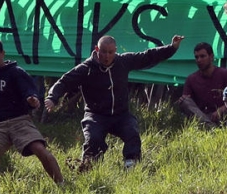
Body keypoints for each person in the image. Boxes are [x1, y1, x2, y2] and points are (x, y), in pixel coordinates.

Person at [45, 35, 184, 169]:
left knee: (132, 133)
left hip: (121, 114)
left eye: (110, 52)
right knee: (93, 140)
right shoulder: (86, 68)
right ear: (97, 49)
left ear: (115, 51)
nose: (106, 56)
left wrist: (172, 48)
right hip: (95, 115)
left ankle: (131, 164)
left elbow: (147, 56)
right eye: (103, 52)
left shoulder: (123, 61)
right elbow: (64, 81)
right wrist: (52, 98)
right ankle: (88, 165)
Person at [0, 38, 63, 194]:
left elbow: (31, 93)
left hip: (19, 120)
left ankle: (62, 184)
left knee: (39, 148)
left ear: (2, 53)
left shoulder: (15, 72)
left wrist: (32, 101)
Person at [178, 42, 227, 128]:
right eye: (196, 57)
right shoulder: (191, 79)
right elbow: (188, 104)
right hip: (203, 116)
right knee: (184, 101)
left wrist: (222, 109)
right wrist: (183, 99)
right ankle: (210, 127)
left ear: (211, 57)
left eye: (202, 56)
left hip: (223, 114)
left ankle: (209, 128)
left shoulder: (224, 74)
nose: (199, 60)